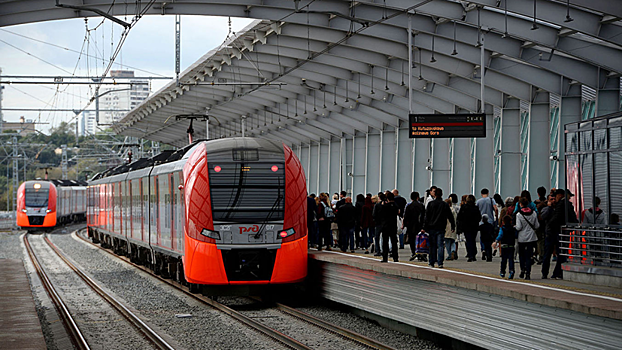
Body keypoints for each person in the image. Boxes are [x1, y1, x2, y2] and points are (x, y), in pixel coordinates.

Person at [549, 189, 578, 279]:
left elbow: (556, 217)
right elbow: (573, 217)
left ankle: (558, 273)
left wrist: (549, 226)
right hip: (564, 231)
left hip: (560, 231)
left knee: (560, 252)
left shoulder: (561, 204)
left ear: (560, 195)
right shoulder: (567, 205)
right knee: (562, 252)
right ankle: (558, 272)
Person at [423, 188, 455, 268]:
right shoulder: (444, 204)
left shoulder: (431, 204)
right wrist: (453, 226)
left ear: (435, 194)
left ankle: (431, 262)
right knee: (440, 245)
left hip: (431, 227)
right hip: (441, 227)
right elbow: (450, 216)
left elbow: (427, 217)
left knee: (432, 245)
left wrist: (424, 227)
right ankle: (440, 262)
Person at [515, 197, 540, 280]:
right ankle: (528, 273)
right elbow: (537, 226)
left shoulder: (519, 215)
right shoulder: (533, 213)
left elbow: (519, 227)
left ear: (520, 204)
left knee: (521, 255)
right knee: (529, 256)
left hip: (522, 238)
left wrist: (515, 227)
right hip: (532, 237)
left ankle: (522, 270)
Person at [457, 195, 481, 262]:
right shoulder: (475, 208)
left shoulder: (464, 207)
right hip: (474, 226)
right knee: (473, 240)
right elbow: (479, 217)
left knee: (468, 240)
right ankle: (473, 254)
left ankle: (470, 254)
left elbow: (460, 217)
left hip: (466, 226)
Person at [476, 188, 498, 259]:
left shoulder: (478, 201)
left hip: (481, 222)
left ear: (481, 194)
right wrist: (496, 216)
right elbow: (496, 208)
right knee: (489, 236)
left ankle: (483, 249)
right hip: (490, 221)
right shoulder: (491, 200)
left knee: (482, 236)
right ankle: (489, 250)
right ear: (488, 193)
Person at [403, 192, 425, 261]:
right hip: (419, 225)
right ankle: (420, 253)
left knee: (412, 240)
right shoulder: (421, 206)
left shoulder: (409, 206)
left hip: (411, 225)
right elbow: (424, 216)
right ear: (418, 197)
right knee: (420, 239)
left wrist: (405, 225)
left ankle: (414, 252)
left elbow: (406, 216)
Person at [540, 194, 557, 279]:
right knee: (547, 254)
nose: (553, 201)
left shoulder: (558, 209)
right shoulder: (546, 209)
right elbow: (543, 217)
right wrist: (549, 208)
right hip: (549, 233)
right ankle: (544, 272)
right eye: (551, 199)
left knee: (559, 254)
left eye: (554, 199)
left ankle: (557, 273)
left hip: (557, 233)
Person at [381, 192, 400, 262]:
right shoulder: (395, 206)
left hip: (386, 225)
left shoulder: (385, 206)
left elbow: (382, 215)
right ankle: (395, 257)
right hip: (393, 225)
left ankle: (385, 257)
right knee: (394, 241)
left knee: (385, 242)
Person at [372, 193, 386, 257]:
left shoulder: (377, 205)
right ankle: (385, 250)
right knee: (385, 237)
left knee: (377, 237)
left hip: (378, 223)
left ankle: (378, 251)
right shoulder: (386, 205)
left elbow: (374, 215)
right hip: (385, 223)